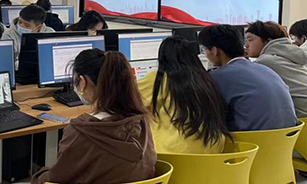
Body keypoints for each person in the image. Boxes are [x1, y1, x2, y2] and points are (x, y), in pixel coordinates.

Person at [32, 50, 156, 184]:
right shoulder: (142, 123)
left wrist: (39, 176)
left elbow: (56, 179)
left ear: (83, 82)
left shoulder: (80, 131)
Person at [138, 37, 230, 153]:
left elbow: (127, 100)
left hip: (173, 154)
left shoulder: (160, 79)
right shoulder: (205, 79)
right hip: (212, 150)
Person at [198, 24, 297, 131]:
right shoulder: (265, 69)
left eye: (204, 50)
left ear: (214, 50)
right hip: (288, 138)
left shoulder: (216, 77)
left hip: (252, 140)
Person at [245, 21, 307, 118]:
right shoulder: (289, 57)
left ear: (267, 41)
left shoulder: (265, 62)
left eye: (250, 40)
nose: (246, 45)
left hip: (305, 119)